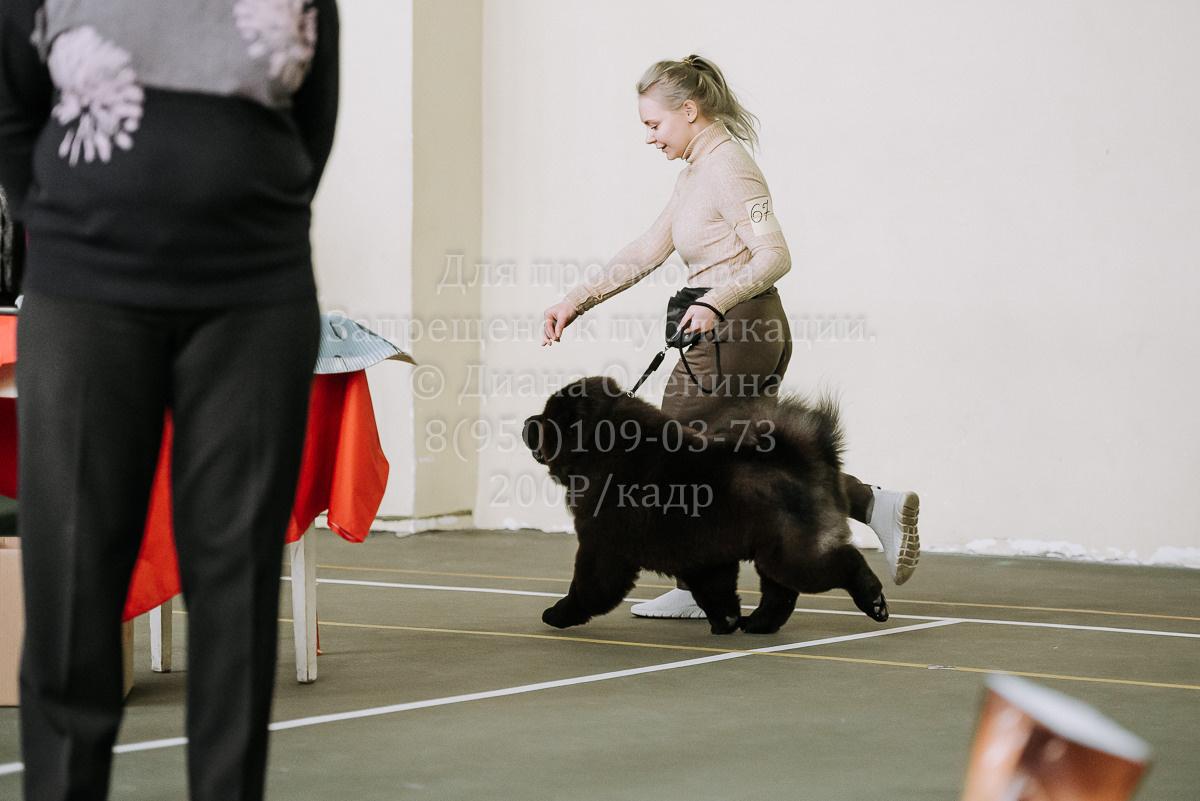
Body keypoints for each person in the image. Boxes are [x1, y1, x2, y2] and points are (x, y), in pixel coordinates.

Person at [0, 1, 338, 798]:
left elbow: (311, 123)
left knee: (237, 578)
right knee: (72, 578)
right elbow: (12, 110)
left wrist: (242, 215)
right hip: (85, 292)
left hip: (255, 295)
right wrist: (72, 228)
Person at [541, 55, 919, 619]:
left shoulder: (727, 167)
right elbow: (647, 249)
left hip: (737, 328)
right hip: (740, 328)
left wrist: (714, 301)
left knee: (675, 448)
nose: (648, 137)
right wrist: (576, 300)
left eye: (653, 124)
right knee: (750, 462)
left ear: (688, 111)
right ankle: (873, 507)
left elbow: (775, 254)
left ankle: (702, 580)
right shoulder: (695, 171)